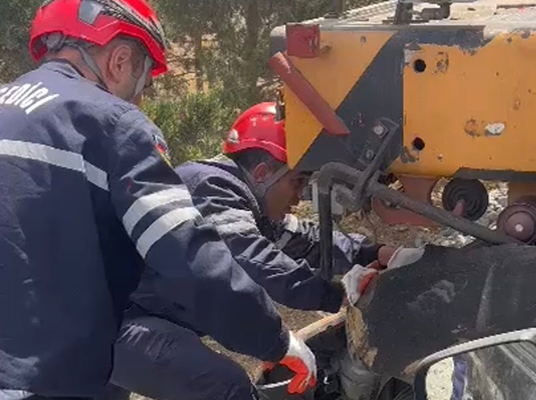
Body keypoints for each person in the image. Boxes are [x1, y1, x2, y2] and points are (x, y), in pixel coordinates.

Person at [0, 1, 315, 399]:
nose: (140, 101)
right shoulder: (110, 123)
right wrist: (274, 339)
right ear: (119, 60)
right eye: (144, 84)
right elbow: (190, 258)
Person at [100, 102, 397, 400]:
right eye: (297, 182)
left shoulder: (244, 201)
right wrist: (337, 294)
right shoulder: (211, 187)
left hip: (119, 321)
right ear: (262, 173)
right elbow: (255, 261)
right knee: (226, 389)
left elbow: (305, 239)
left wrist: (374, 253)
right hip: (118, 324)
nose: (299, 197)